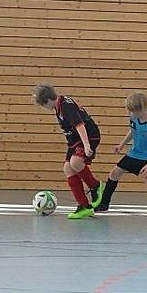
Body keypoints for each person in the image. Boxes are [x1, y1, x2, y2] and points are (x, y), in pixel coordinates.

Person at [94, 91, 147, 222]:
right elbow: (132, 131)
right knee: (114, 173)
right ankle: (104, 204)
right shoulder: (134, 118)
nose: (129, 113)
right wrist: (121, 145)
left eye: (131, 111)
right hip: (134, 154)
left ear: (140, 110)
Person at [33, 84, 107, 220]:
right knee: (68, 169)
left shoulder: (65, 106)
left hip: (88, 136)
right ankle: (84, 206)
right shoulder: (59, 105)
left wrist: (86, 145)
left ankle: (95, 186)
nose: (44, 108)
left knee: (76, 162)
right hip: (75, 140)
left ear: (47, 100)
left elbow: (80, 125)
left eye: (43, 105)